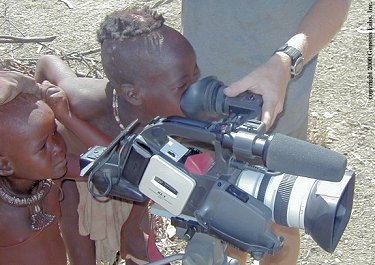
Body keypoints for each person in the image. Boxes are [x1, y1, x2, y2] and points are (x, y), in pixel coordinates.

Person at [180, 1, 351, 264]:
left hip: (275, 105)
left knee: (278, 222)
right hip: (198, 106)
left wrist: (287, 60)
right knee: (211, 222)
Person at [32, 6, 199, 265]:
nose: (195, 90)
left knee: (137, 250)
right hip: (77, 181)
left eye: (195, 75)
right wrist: (44, 111)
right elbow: (47, 63)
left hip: (132, 186)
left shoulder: (173, 115)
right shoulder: (80, 100)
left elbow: (139, 171)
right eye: (183, 84)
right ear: (133, 94)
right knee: (83, 257)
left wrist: (132, 224)